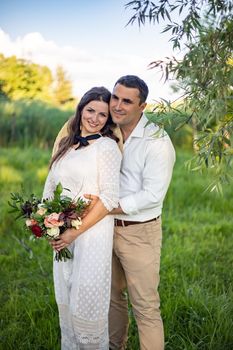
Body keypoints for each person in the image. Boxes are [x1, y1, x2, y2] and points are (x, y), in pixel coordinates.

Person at [53, 75, 176, 350]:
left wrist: (106, 206)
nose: (118, 106)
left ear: (142, 106)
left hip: (138, 231)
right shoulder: (106, 134)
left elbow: (153, 195)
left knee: (145, 304)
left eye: (127, 101)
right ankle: (113, 346)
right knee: (110, 299)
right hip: (101, 230)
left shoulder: (156, 140)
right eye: (115, 98)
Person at [42, 86, 122, 350]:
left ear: (108, 119)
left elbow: (109, 198)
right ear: (81, 110)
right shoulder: (67, 144)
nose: (95, 118)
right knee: (66, 294)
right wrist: (48, 224)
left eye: (102, 114)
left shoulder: (107, 147)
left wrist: (74, 232)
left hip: (92, 235)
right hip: (62, 235)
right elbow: (49, 187)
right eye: (90, 110)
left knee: (86, 301)